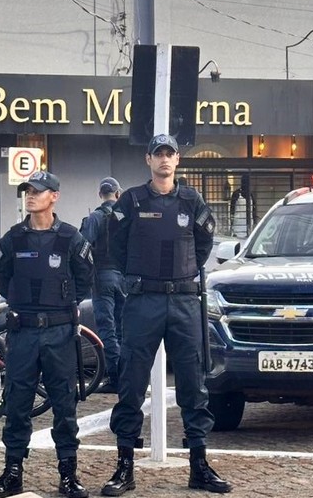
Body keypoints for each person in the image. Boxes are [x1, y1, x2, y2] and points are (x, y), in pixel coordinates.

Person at [102, 134, 232, 496]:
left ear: (177, 160)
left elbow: (204, 242)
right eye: (158, 154)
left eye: (169, 154)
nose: (164, 160)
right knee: (131, 384)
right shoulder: (131, 200)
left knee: (193, 383)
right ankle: (124, 466)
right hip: (144, 301)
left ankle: (199, 466)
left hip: (185, 302)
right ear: (148, 160)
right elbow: (116, 245)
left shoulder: (191, 199)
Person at [0, 170, 94, 498]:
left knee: (64, 403)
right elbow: (3, 280)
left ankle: (68, 474)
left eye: (38, 191)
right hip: (23, 333)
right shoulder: (13, 239)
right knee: (17, 404)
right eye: (27, 191)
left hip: (60, 333)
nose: (31, 196)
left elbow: (84, 280)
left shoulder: (71, 239)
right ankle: (12, 472)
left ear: (54, 196)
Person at [80, 176, 126, 394]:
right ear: (118, 194)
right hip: (125, 278)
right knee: (123, 330)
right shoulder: (127, 217)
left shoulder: (95, 218)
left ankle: (115, 377)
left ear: (100, 195)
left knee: (107, 329)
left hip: (103, 277)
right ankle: (127, 376)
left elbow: (81, 249)